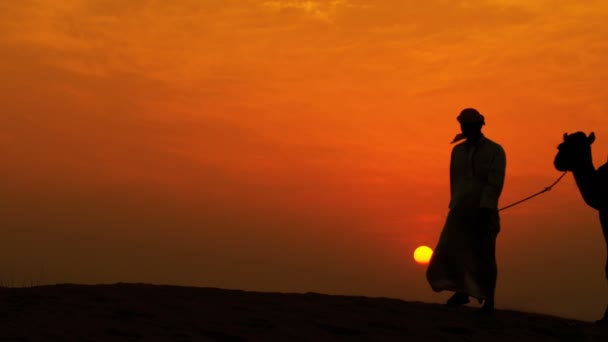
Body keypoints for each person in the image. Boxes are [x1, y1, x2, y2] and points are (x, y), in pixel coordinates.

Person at [426, 108, 506, 314]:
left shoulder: (495, 151)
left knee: (485, 255)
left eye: (469, 125)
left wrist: (486, 207)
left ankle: (489, 299)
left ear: (479, 126)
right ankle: (462, 291)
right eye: (464, 125)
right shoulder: (457, 151)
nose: (466, 129)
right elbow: (456, 181)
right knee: (452, 250)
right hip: (459, 209)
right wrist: (455, 205)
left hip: (483, 210)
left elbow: (495, 182)